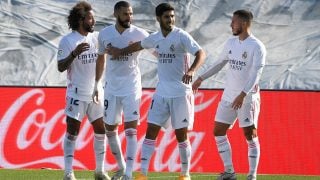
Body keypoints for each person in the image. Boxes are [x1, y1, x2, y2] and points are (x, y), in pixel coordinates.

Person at [106, 3, 206, 180]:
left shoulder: (181, 36)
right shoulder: (155, 37)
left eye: (172, 16)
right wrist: (119, 51)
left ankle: (185, 174)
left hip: (181, 93)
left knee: (181, 134)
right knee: (151, 130)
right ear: (159, 19)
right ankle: (143, 173)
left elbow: (201, 53)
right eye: (167, 17)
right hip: (161, 93)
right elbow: (138, 46)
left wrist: (191, 71)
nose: (171, 20)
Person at [192, 10, 266, 180]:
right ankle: (229, 172)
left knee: (250, 134)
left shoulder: (257, 46)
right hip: (228, 96)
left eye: (234, 22)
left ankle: (252, 175)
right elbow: (219, 63)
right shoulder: (231, 43)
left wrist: (243, 94)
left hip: (247, 98)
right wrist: (201, 78)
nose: (231, 25)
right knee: (218, 131)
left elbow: (256, 74)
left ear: (244, 24)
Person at [93, 1, 149, 180]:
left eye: (131, 14)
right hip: (111, 87)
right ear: (116, 14)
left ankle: (128, 173)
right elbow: (100, 58)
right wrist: (96, 84)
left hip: (131, 87)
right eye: (125, 14)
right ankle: (122, 166)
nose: (129, 17)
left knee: (131, 129)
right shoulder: (104, 34)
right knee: (110, 128)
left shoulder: (139, 33)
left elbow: (156, 47)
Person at [57, 1, 110, 180]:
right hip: (76, 93)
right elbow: (60, 67)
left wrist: (98, 84)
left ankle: (100, 171)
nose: (93, 21)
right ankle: (68, 172)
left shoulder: (96, 38)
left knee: (101, 130)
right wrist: (73, 54)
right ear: (81, 20)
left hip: (96, 92)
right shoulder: (68, 40)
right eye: (90, 18)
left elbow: (102, 60)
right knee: (72, 131)